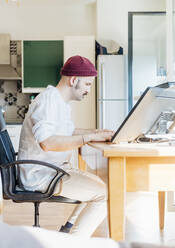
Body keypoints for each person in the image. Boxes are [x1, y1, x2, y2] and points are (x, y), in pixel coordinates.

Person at [18, 55, 114, 237]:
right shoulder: (48, 101)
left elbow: (68, 132)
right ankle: (71, 243)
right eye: (87, 84)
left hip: (54, 170)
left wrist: (96, 133)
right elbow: (47, 143)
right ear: (74, 80)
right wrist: (87, 138)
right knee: (105, 195)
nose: (88, 90)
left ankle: (68, 230)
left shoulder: (59, 102)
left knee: (100, 186)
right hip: (42, 175)